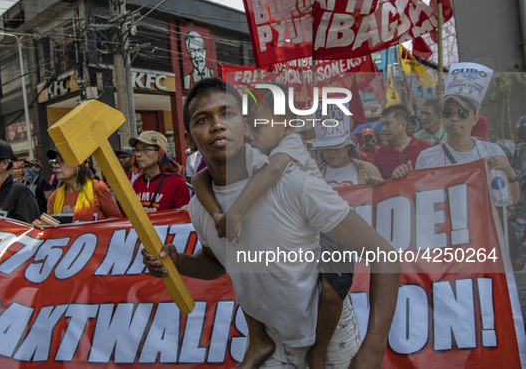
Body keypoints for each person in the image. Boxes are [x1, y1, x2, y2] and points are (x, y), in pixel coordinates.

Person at [143, 78, 399, 368]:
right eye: (203, 119)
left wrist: (373, 350)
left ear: (245, 124)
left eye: (227, 114)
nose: (217, 125)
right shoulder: (199, 206)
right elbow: (219, 262)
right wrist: (181, 263)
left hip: (333, 346)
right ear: (189, 140)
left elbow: (384, 255)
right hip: (272, 347)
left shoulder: (293, 183)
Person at [191, 84, 362, 368]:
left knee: (332, 294)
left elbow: (272, 172)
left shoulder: (289, 144)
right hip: (297, 236)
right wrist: (217, 214)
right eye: (247, 124)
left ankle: (318, 353)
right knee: (248, 267)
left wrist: (234, 213)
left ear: (285, 125)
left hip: (326, 232)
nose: (249, 132)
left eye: (258, 124)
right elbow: (199, 180)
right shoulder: (251, 150)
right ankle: (258, 340)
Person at [392, 95, 520, 205]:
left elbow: (512, 201)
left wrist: (510, 175)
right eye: (449, 113)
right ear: (443, 118)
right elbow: (421, 202)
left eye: (462, 113)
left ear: (475, 119)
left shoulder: (492, 152)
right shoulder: (427, 158)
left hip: (485, 231)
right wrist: (404, 180)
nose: (455, 118)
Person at [42, 149, 121, 223]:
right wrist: (40, 225)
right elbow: (51, 227)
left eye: (62, 161)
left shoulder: (97, 187)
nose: (56, 166)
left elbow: (116, 219)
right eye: (56, 162)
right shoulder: (55, 196)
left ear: (78, 165)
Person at [129, 131, 190, 213]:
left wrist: (157, 216)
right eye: (137, 150)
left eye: (145, 149)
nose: (138, 154)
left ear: (160, 153)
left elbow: (184, 219)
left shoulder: (177, 182)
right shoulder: (137, 182)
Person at [373, 104, 432, 179]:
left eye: (388, 124)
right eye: (382, 124)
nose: (384, 129)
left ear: (403, 124)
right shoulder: (379, 154)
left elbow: (435, 177)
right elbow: (379, 183)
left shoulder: (424, 146)